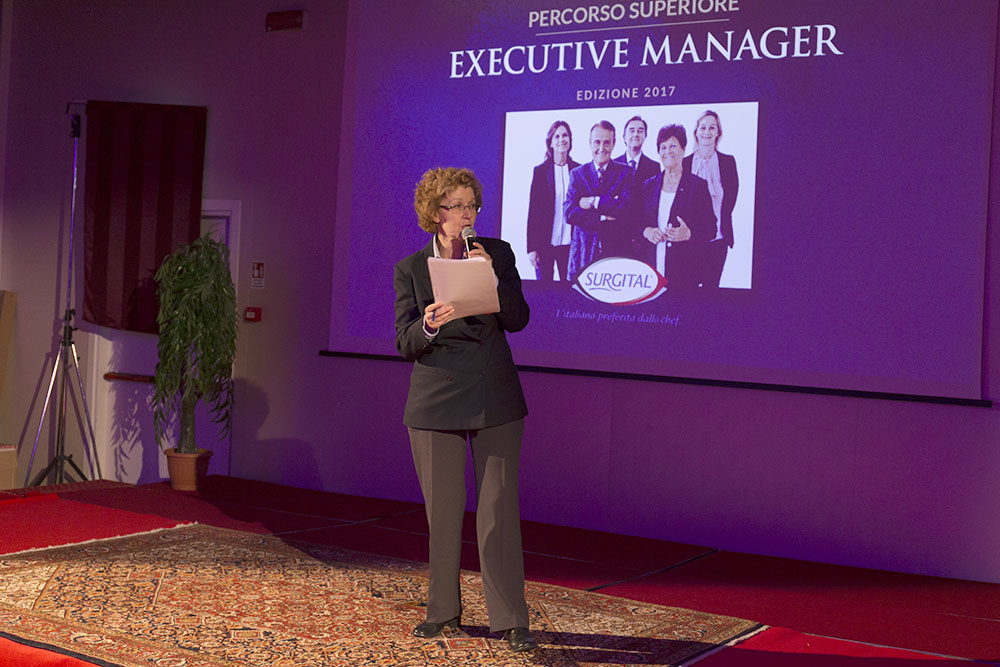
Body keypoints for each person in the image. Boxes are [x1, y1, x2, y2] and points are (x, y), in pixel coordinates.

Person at [393, 167, 538, 653]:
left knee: (498, 510)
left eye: (472, 205)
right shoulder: (412, 268)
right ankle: (442, 612)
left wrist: (491, 278)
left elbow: (518, 319)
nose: (467, 214)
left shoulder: (497, 252)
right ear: (435, 212)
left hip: (494, 393)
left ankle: (510, 619)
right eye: (457, 206)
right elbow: (404, 341)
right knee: (444, 511)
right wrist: (428, 325)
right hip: (436, 399)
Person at [636, 125, 716, 290]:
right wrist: (646, 231)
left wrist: (689, 234)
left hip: (684, 275)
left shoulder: (698, 186)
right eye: (663, 147)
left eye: (673, 146)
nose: (668, 151)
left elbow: (711, 229)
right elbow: (634, 222)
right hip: (650, 273)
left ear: (683, 149)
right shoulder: (648, 186)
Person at [564, 120, 633, 282]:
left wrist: (593, 202)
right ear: (590, 143)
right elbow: (569, 213)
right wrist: (602, 217)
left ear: (614, 143)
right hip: (583, 253)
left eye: (606, 142)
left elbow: (625, 207)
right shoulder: (577, 174)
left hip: (616, 253)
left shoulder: (625, 172)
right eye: (597, 142)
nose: (601, 148)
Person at [682, 110, 739, 288]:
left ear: (718, 132)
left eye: (712, 128)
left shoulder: (728, 162)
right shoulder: (684, 163)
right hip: (688, 241)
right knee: (687, 290)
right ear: (696, 132)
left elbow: (730, 200)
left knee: (711, 291)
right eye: (703, 127)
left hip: (717, 241)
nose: (707, 132)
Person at [526, 121, 580, 281]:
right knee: (544, 290)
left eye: (565, 135)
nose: (561, 139)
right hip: (544, 244)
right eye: (557, 136)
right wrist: (532, 248)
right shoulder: (541, 172)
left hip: (570, 245)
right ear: (550, 142)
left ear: (570, 140)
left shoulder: (578, 170)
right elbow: (533, 212)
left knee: (569, 289)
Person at [613, 115, 660, 184]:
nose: (636, 134)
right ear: (624, 137)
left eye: (640, 131)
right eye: (632, 131)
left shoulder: (654, 167)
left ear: (645, 136)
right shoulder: (613, 165)